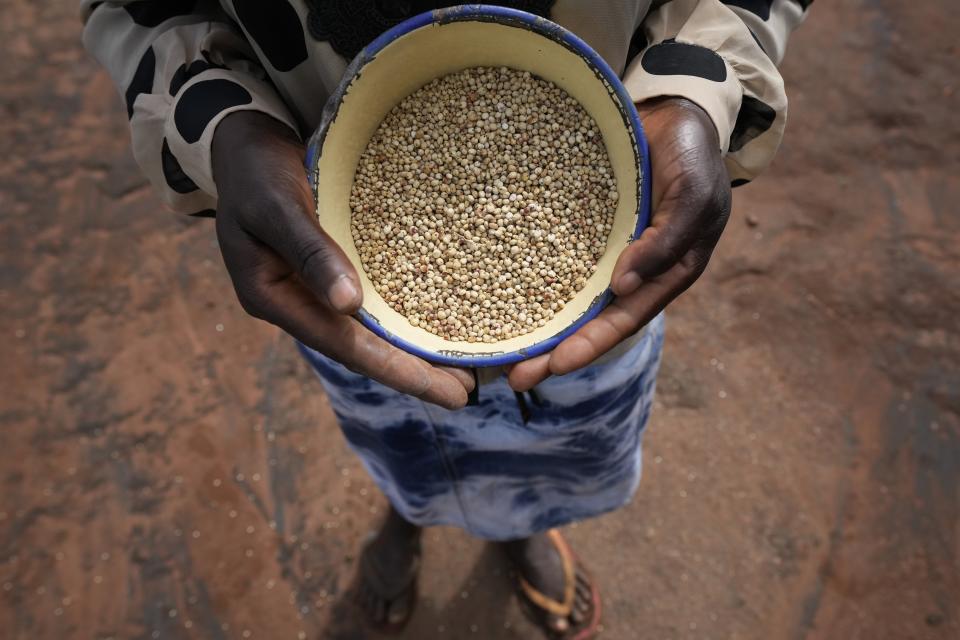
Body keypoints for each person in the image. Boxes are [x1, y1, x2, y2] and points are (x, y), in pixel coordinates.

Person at [82, 1, 809, 636]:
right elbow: (143, 7)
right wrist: (222, 124)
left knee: (566, 431)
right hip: (332, 249)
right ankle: (411, 511)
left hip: (608, 271)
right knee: (398, 424)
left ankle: (521, 524)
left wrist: (695, 88)